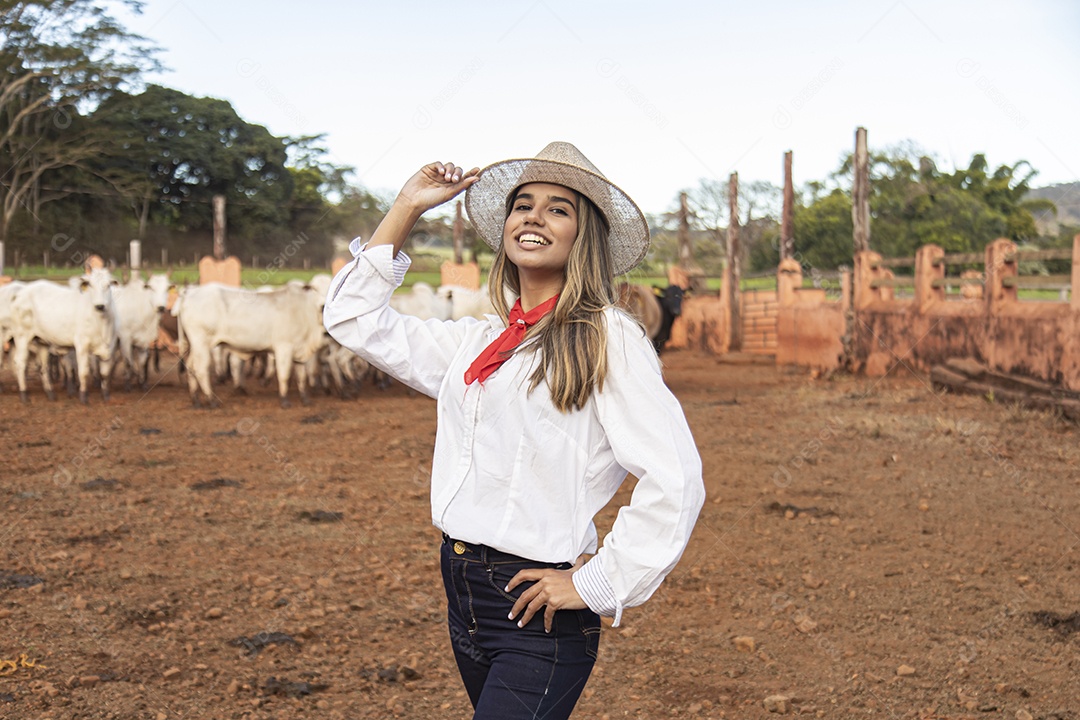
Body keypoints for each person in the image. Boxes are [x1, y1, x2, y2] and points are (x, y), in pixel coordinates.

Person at [323, 142, 705, 719]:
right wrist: (407, 206)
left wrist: (595, 585)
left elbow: (676, 478)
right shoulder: (480, 342)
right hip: (464, 589)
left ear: (585, 238)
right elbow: (354, 319)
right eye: (522, 204)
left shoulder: (607, 338)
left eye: (558, 209)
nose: (532, 215)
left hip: (540, 609)